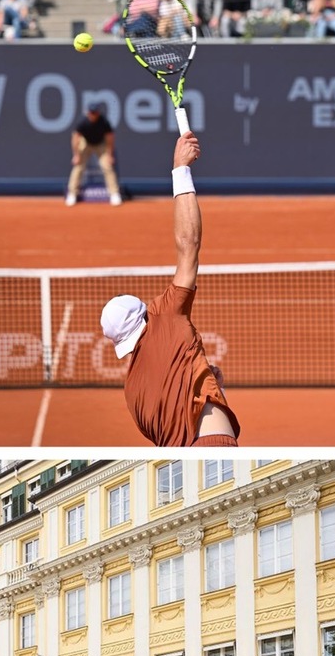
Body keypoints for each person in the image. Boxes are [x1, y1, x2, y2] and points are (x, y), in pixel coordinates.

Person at [100, 131, 240, 447]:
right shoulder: (163, 315)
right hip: (214, 443)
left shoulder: (132, 392)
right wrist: (180, 169)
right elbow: (188, 244)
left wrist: (204, 380)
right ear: (145, 315)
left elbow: (178, 423)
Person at [66, 105, 122, 207]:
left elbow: (110, 138)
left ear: (98, 113)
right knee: (78, 167)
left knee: (107, 166)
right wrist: (76, 155)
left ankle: (114, 194)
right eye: (91, 113)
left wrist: (110, 155)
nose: (93, 115)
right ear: (88, 113)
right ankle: (72, 194)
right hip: (86, 143)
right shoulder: (82, 123)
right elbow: (75, 138)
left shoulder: (104, 122)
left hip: (101, 144)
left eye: (95, 113)